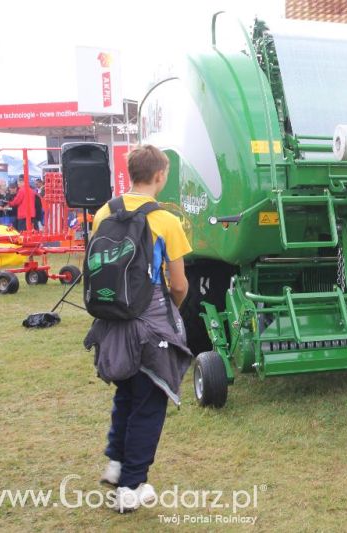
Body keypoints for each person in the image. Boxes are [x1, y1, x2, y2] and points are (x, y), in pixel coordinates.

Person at [83, 145, 192, 513]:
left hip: (111, 318)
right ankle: (131, 485)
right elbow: (178, 284)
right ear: (160, 176)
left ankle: (115, 463)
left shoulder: (103, 212)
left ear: (130, 172)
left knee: (127, 392)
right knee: (149, 400)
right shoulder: (166, 221)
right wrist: (168, 316)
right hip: (149, 322)